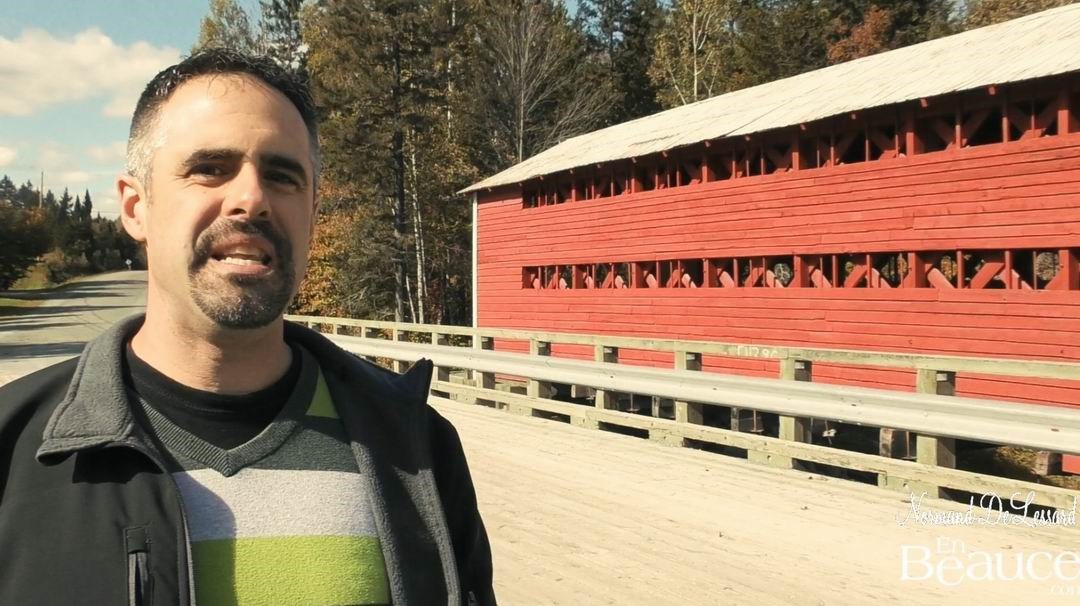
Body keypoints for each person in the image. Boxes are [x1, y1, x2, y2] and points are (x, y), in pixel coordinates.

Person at [0, 49, 495, 606]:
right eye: (210, 168)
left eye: (283, 176)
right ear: (136, 207)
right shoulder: (15, 449)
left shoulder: (416, 448)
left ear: (311, 215)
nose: (252, 198)